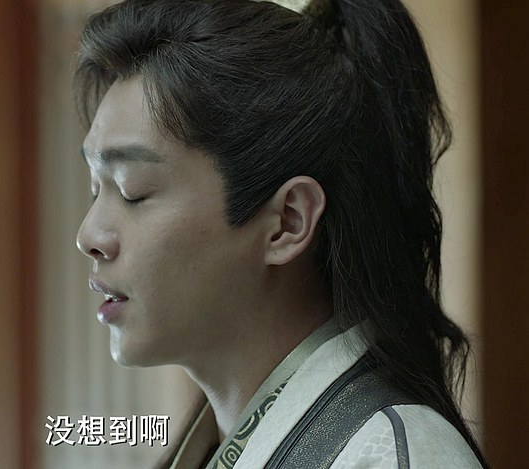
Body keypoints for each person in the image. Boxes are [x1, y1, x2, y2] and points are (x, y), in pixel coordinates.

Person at [73, 0, 487, 467]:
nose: (89, 235)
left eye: (132, 191)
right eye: (95, 190)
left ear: (288, 221)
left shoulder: (384, 455)